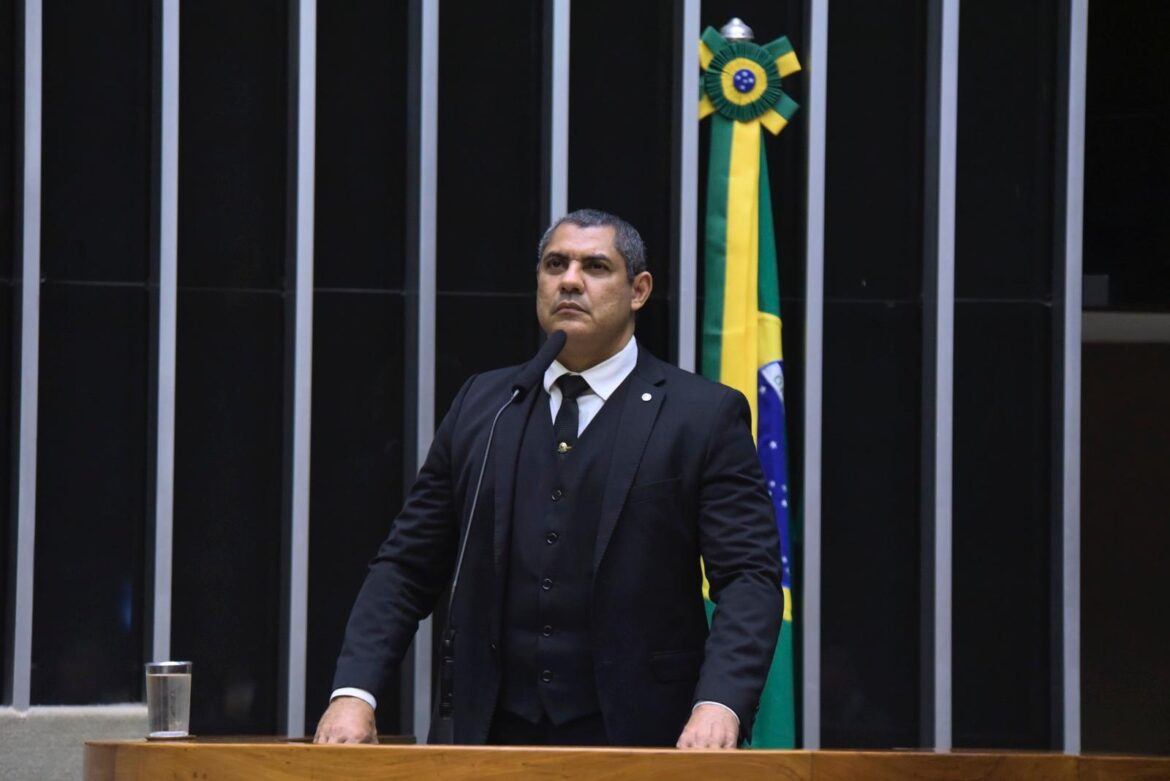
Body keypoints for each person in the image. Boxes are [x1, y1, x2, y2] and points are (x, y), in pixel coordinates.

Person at [314, 209, 781, 748]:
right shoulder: (486, 406)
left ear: (639, 290)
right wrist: (355, 692)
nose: (570, 281)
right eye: (555, 264)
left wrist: (719, 703)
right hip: (488, 734)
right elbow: (406, 565)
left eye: (595, 266)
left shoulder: (702, 415)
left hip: (647, 735)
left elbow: (748, 577)